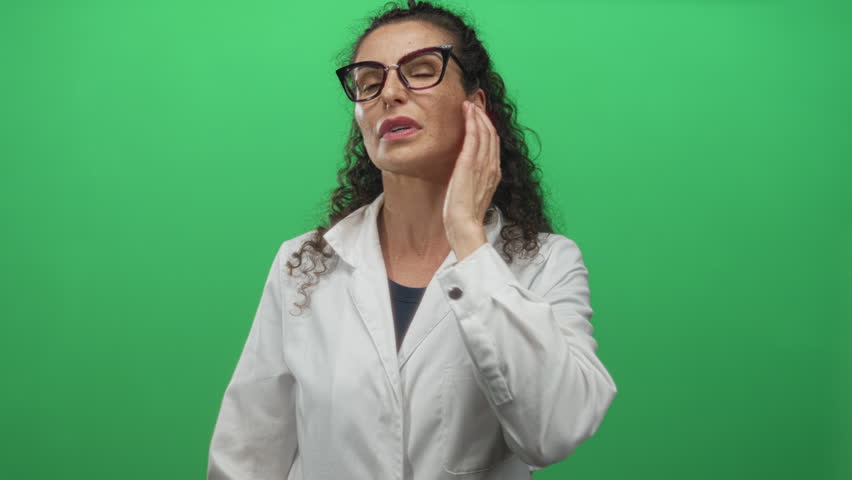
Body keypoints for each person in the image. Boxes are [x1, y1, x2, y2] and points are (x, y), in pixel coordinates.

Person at [207, 1, 617, 478]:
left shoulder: (546, 263)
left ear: (476, 107)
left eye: (421, 71)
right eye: (369, 81)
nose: (390, 94)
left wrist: (468, 236)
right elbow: (247, 455)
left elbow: (555, 430)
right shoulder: (303, 263)